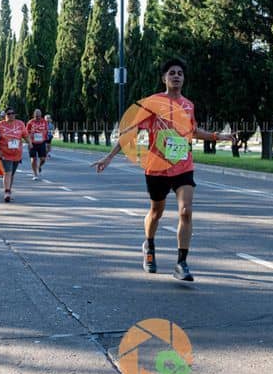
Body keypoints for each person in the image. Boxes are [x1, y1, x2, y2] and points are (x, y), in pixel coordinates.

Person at [91, 58, 233, 282]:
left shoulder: (188, 105)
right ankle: (149, 245)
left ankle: (181, 263)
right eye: (171, 73)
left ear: (184, 79)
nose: (176, 76)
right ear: (164, 78)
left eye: (180, 73)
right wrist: (109, 157)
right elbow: (132, 131)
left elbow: (193, 131)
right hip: (157, 167)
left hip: (183, 166)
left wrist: (218, 136)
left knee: (185, 211)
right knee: (156, 212)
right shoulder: (152, 103)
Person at [0, 107, 28, 202]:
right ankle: (7, 192)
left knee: (11, 174)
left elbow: (25, 135)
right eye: (9, 114)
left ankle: (8, 190)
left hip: (17, 154)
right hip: (5, 153)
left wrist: (30, 143)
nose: (11, 115)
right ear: (5, 115)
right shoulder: (0, 125)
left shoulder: (20, 124)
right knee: (7, 172)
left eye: (12, 113)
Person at [26, 109, 49, 180]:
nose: (38, 118)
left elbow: (46, 131)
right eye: (36, 116)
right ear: (34, 115)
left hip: (41, 142)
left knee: (43, 159)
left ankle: (39, 166)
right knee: (33, 159)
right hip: (32, 142)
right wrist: (29, 141)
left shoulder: (44, 122)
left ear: (41, 115)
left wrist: (46, 141)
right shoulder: (30, 122)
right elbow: (26, 132)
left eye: (39, 116)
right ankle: (35, 174)